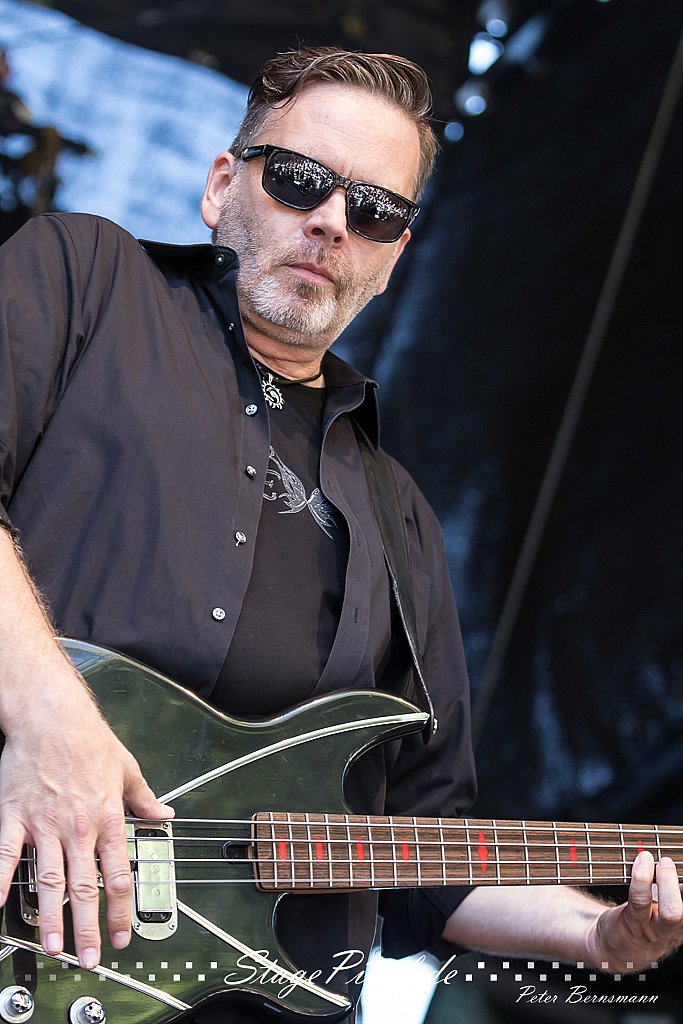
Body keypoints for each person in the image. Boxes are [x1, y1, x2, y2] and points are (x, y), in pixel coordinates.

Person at [0, 45, 681, 1023]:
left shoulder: (398, 518)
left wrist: (596, 935)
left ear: (394, 255)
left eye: (374, 210)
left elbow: (423, 850)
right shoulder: (87, 280)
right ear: (221, 185)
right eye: (297, 180)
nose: (329, 222)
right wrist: (51, 720)